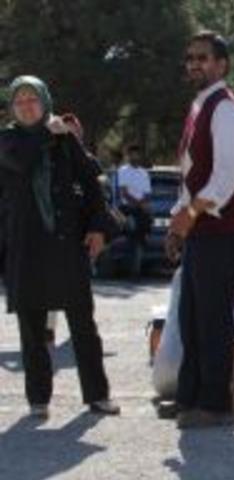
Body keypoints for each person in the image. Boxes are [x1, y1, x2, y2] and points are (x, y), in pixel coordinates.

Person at [0, 76, 120, 419]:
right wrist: (48, 133)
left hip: (66, 244)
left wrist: (98, 227)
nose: (27, 106)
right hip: (25, 246)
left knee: (83, 325)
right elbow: (22, 162)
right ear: (12, 107)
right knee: (32, 331)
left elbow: (92, 182)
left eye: (33, 100)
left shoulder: (65, 139)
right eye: (20, 101)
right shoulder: (7, 140)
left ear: (45, 101)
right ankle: (38, 399)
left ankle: (98, 395)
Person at [167, 31, 234, 428]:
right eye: (190, 58)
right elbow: (192, 175)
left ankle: (214, 403)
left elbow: (228, 174)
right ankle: (189, 397)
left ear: (222, 64)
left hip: (219, 229)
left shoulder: (225, 106)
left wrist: (192, 212)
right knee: (190, 317)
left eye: (203, 57)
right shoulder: (200, 105)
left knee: (212, 318)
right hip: (200, 229)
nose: (194, 63)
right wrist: (178, 222)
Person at [116, 143, 153, 272]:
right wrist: (139, 204)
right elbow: (124, 193)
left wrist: (143, 204)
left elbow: (147, 194)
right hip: (127, 208)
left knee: (144, 227)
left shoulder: (144, 173)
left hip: (141, 209)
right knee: (130, 229)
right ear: (128, 156)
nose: (134, 157)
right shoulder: (123, 171)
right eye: (131, 154)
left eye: (137, 154)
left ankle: (139, 254)